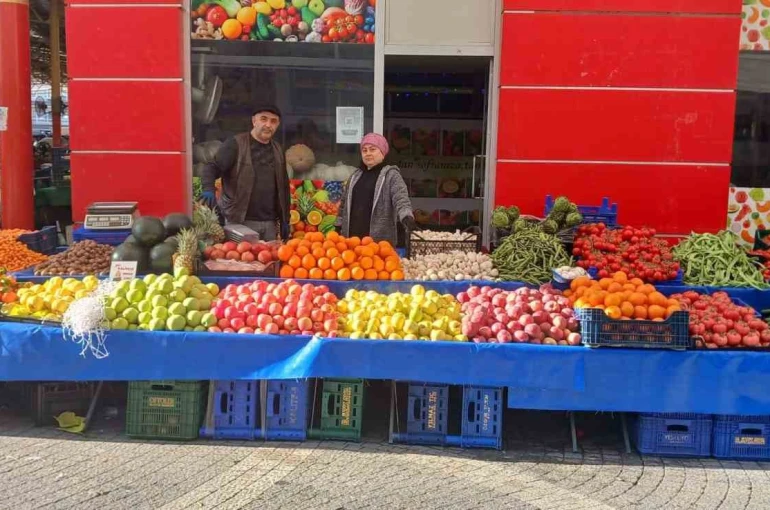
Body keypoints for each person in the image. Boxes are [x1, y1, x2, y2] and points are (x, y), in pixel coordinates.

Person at [200, 105, 290, 241]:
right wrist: (208, 189)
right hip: (239, 222)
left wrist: (285, 218)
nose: (268, 125)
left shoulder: (278, 149)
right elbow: (211, 167)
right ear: (254, 121)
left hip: (269, 224)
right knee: (240, 261)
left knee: (268, 261)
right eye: (263, 119)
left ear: (277, 125)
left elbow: (284, 187)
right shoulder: (236, 144)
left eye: (273, 121)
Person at [338, 133, 417, 245]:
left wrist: (406, 216)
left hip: (378, 244)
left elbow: (400, 198)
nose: (368, 153)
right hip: (352, 241)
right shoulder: (355, 176)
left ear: (383, 152)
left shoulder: (391, 175)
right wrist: (338, 224)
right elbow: (343, 204)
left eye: (372, 149)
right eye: (364, 150)